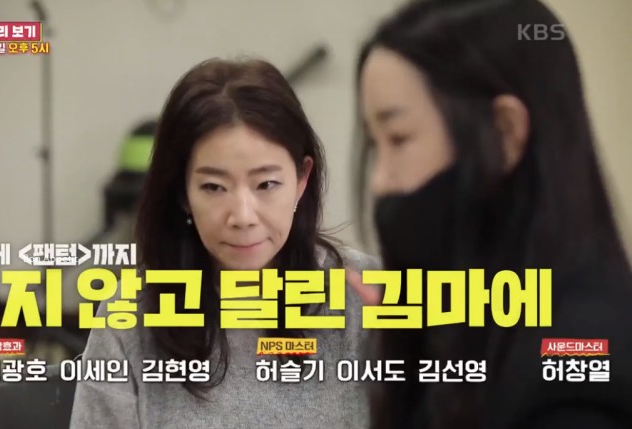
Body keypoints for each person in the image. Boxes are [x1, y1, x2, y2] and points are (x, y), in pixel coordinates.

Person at [346, 0, 632, 428]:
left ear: (504, 131)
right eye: (376, 142)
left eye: (399, 138)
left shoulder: (576, 371)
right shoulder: (470, 316)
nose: (379, 181)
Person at [70, 57, 380, 429]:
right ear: (183, 192)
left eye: (266, 184)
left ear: (301, 179)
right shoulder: (131, 313)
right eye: (214, 187)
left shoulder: (368, 293)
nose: (243, 216)